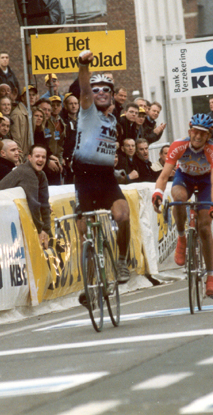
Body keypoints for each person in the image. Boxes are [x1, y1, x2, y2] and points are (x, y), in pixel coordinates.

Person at [73, 49, 132, 298]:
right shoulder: (87, 111)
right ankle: (90, 285)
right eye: (96, 89)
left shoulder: (113, 119)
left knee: (123, 214)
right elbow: (85, 92)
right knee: (85, 232)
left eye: (105, 89)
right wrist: (83, 66)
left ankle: (120, 261)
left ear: (112, 95)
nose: (99, 93)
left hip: (106, 177)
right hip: (84, 177)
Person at [152, 113, 213, 298]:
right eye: (195, 132)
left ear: (209, 136)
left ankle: (210, 277)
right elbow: (163, 176)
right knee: (178, 197)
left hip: (206, 183)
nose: (198, 136)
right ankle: (182, 237)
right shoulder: (178, 146)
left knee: (205, 228)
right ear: (190, 131)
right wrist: (157, 193)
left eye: (203, 133)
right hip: (184, 179)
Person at [0, 145, 52, 247]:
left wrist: (46, 230)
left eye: (43, 157)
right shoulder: (27, 172)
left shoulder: (42, 175)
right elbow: (34, 205)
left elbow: (44, 204)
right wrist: (40, 231)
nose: (40, 159)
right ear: (29, 158)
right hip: (0, 214)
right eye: (37, 156)